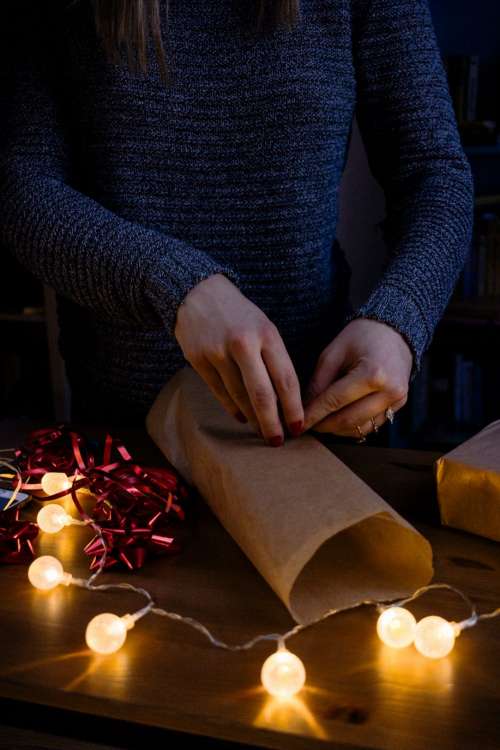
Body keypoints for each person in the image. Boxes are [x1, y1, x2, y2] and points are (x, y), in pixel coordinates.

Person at [0, 0, 474, 444]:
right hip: (123, 441)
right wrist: (175, 286)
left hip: (318, 423)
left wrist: (401, 318)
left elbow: (435, 174)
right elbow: (21, 190)